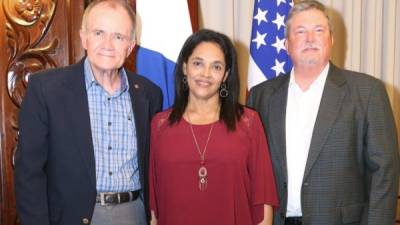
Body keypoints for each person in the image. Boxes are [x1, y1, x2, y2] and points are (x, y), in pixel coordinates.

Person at [247, 1, 400, 225]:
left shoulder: (367, 92)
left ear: (331, 40)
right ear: (287, 44)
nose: (310, 39)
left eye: (319, 30)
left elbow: (384, 173)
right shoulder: (260, 96)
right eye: (300, 32)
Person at [14, 0, 162, 224]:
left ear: (130, 46)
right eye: (99, 32)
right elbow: (29, 172)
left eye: (118, 37)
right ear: (84, 37)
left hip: (133, 214)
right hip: (71, 216)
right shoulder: (46, 89)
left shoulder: (149, 94)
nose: (108, 44)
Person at [149, 29, 278, 225]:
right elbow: (154, 207)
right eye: (198, 63)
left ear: (226, 75)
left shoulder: (249, 122)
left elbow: (263, 200)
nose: (206, 74)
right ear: (185, 67)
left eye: (216, 67)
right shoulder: (160, 125)